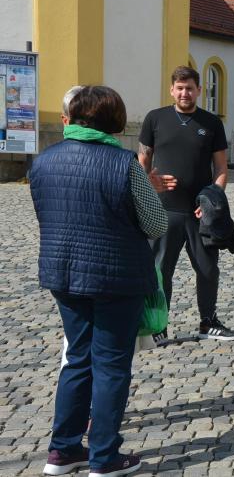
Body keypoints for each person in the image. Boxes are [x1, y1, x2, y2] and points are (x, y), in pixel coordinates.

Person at [32, 86, 168, 477]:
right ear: (116, 122)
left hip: (63, 273)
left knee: (76, 359)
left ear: (70, 119)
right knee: (110, 365)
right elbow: (156, 223)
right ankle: (105, 457)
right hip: (116, 277)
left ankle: (63, 451)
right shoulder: (124, 164)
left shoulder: (43, 161)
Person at [138, 66, 234, 343]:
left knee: (208, 269)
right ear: (172, 90)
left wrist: (212, 202)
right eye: (180, 88)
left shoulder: (212, 123)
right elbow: (142, 163)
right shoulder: (155, 119)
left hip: (200, 213)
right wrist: (149, 183)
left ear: (199, 90)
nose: (185, 93)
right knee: (161, 272)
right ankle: (159, 327)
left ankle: (208, 322)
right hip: (164, 210)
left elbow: (220, 169)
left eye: (190, 88)